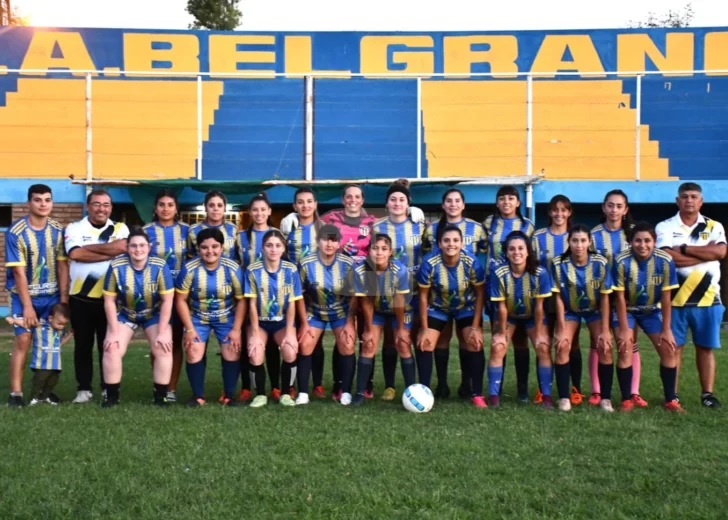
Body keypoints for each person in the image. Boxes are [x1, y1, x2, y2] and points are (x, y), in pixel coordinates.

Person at [656, 182, 726, 408]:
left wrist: (684, 249)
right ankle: (672, 396)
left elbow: (721, 252)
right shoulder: (665, 226)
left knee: (705, 348)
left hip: (708, 298)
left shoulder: (714, 226)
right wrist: (706, 255)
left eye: (693, 196)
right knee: (673, 348)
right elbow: (667, 257)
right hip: (674, 299)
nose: (689, 200)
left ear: (701, 201)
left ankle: (707, 395)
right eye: (684, 196)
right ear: (678, 201)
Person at [5, 184, 69, 407]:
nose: (43, 204)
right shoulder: (16, 232)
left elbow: (62, 266)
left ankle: (43, 392)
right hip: (24, 297)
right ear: (28, 202)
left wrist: (63, 299)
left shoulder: (58, 230)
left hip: (51, 296)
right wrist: (28, 306)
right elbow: (18, 272)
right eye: (38, 200)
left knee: (50, 343)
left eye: (47, 200)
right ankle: (16, 393)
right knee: (24, 339)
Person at [422, 188, 488, 400]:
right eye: (446, 241)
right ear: (439, 243)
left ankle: (470, 389)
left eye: (455, 241)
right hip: (438, 305)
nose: (451, 244)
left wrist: (477, 327)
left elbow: (480, 294)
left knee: (472, 341)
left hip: (465, 305)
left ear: (462, 243)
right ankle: (434, 388)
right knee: (428, 342)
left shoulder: (472, 260)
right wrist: (423, 329)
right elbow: (423, 296)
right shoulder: (430, 259)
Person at [64, 189, 129, 404]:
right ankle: (83, 389)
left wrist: (88, 249)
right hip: (80, 298)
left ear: (111, 207)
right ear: (88, 206)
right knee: (82, 345)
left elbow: (123, 249)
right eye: (97, 204)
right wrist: (111, 249)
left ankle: (106, 386)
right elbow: (75, 254)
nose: (102, 208)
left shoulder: (120, 228)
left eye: (106, 204)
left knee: (107, 344)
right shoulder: (74, 228)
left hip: (110, 299)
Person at [612, 222, 683, 412]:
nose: (642, 245)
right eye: (638, 241)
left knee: (668, 349)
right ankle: (627, 399)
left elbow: (667, 298)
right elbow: (618, 298)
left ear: (654, 241)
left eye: (647, 241)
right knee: (625, 346)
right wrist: (625, 330)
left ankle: (671, 400)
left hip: (652, 310)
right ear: (630, 242)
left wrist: (667, 330)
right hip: (628, 310)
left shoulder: (665, 260)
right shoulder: (621, 261)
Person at [101, 227, 175, 407]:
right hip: (127, 313)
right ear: (127, 248)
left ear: (149, 247)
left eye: (142, 245)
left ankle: (160, 396)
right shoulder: (117, 265)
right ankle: (111, 396)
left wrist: (163, 331)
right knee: (111, 348)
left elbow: (167, 300)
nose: (138, 249)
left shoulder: (159, 265)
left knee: (163, 347)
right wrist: (112, 330)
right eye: (133, 246)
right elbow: (109, 301)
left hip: (153, 312)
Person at [175, 228, 246, 408]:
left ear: (222, 248)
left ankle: (229, 395)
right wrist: (190, 330)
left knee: (232, 348)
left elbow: (242, 301)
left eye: (215, 246)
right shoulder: (189, 268)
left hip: (226, 316)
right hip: (199, 317)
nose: (210, 251)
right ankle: (198, 396)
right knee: (193, 350)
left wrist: (236, 329)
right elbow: (181, 299)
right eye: (205, 247)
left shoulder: (233, 268)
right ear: (198, 249)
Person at [370, 183, 425, 401]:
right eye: (393, 199)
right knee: (391, 340)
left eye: (402, 199)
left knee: (413, 338)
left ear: (408, 204)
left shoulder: (420, 226)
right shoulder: (377, 227)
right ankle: (390, 386)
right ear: (386, 203)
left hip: (414, 291)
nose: (397, 203)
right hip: (384, 293)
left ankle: (418, 386)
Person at [551, 225, 613, 412]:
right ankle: (563, 398)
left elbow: (604, 297)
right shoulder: (558, 263)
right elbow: (558, 298)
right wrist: (561, 329)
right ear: (568, 242)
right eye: (575, 241)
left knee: (605, 347)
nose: (579, 245)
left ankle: (606, 398)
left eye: (583, 241)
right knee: (562, 345)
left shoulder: (600, 263)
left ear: (590, 242)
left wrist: (604, 330)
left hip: (594, 311)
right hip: (570, 311)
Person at [589, 190, 643, 406]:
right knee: (599, 341)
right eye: (610, 205)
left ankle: (634, 391)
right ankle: (596, 390)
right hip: (600, 296)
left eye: (619, 206)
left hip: (627, 298)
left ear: (625, 209)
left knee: (629, 341)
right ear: (604, 207)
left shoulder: (633, 234)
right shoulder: (593, 235)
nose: (614, 210)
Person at [488, 231, 553, 409]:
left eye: (520, 248)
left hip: (533, 316)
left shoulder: (540, 273)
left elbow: (540, 306)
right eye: (512, 249)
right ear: (506, 253)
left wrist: (539, 333)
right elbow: (501, 307)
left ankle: (546, 397)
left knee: (543, 347)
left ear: (527, 251)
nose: (516, 252)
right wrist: (501, 333)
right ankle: (494, 397)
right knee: (497, 347)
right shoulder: (499, 273)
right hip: (509, 316)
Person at [483, 185, 535, 403]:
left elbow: (532, 256)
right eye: (502, 198)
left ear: (518, 202)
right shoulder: (488, 224)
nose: (506, 202)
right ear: (497, 203)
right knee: (499, 336)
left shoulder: (527, 225)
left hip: (522, 288)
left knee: (521, 341)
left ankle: (522, 390)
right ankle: (497, 388)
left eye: (511, 198)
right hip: (495, 287)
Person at [296, 224, 358, 405]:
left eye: (333, 240)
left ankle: (345, 391)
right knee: (305, 343)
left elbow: (354, 296)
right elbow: (298, 295)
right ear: (318, 242)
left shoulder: (347, 264)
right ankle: (303, 393)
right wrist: (304, 323)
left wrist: (349, 322)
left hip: (340, 312)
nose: (329, 244)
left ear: (339, 243)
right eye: (325, 239)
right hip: (314, 312)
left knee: (347, 343)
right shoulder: (306, 263)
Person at [354, 234, 416, 406]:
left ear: (390, 252)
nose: (379, 252)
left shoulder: (400, 270)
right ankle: (360, 393)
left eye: (383, 249)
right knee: (369, 343)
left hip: (400, 309)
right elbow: (365, 302)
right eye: (375, 248)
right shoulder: (361, 271)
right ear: (368, 251)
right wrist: (367, 329)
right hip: (377, 310)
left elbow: (399, 301)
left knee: (403, 343)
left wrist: (402, 329)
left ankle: (412, 392)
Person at [532, 195, 582, 405]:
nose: (559, 214)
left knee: (571, 343)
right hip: (544, 298)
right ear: (550, 212)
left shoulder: (576, 237)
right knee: (543, 342)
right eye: (555, 210)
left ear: (569, 212)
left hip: (569, 298)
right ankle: (543, 389)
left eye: (563, 210)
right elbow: (531, 265)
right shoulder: (538, 237)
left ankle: (575, 388)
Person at [245, 230, 302, 408]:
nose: (273, 249)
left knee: (290, 350)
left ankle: (286, 392)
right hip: (260, 322)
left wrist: (291, 332)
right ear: (263, 248)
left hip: (281, 322)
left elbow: (292, 303)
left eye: (278, 245)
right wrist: (254, 333)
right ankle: (260, 394)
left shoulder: (291, 270)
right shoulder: (252, 270)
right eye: (269, 245)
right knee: (255, 352)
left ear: (283, 248)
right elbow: (252, 304)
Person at [143, 189, 190, 403]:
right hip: (155, 296)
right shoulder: (146, 232)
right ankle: (158, 385)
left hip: (181, 295)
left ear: (176, 208)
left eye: (170, 205)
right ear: (155, 208)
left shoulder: (188, 232)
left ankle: (171, 388)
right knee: (159, 341)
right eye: (161, 204)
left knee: (176, 342)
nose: (165, 208)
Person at [237, 192, 283, 402]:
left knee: (272, 343)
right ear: (250, 212)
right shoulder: (241, 237)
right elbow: (235, 266)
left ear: (269, 211)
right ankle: (247, 387)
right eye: (255, 209)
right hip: (249, 296)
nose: (259, 213)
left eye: (263, 209)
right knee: (251, 341)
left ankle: (275, 386)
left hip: (272, 298)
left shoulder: (276, 234)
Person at [283, 187, 326, 399]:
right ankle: (289, 385)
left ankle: (317, 384)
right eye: (300, 202)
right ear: (294, 206)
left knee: (313, 340)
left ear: (316, 204)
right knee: (292, 338)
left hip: (317, 292)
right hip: (292, 291)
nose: (305, 206)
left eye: (309, 201)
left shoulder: (325, 228)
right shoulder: (288, 227)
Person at [6, 303, 73, 406]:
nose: (61, 326)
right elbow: (26, 323)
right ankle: (34, 397)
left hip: (55, 364)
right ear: (50, 318)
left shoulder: (58, 331)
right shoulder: (40, 325)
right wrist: (14, 320)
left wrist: (70, 335)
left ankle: (44, 397)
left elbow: (59, 344)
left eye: (64, 324)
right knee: (39, 381)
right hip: (42, 363)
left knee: (52, 382)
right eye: (59, 323)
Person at [187, 190, 239, 261]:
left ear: (225, 208)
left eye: (220, 205)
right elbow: (190, 256)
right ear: (205, 208)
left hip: (229, 271)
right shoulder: (193, 230)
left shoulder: (233, 229)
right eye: (211, 205)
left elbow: (237, 256)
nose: (215, 209)